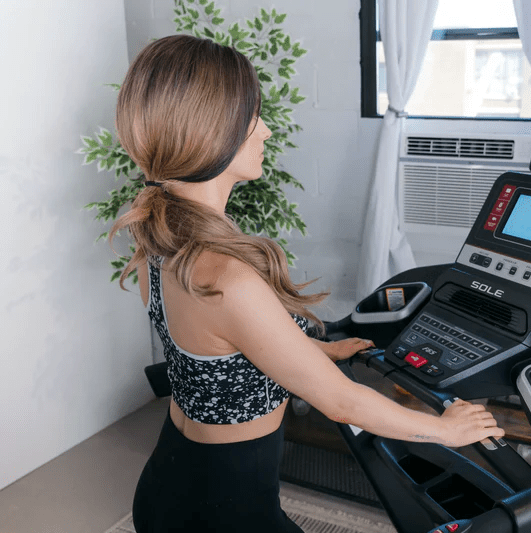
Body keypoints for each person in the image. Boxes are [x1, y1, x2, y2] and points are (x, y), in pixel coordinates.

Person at [109, 35, 504, 532]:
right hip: (225, 509)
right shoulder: (228, 276)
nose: (267, 131)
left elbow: (216, 356)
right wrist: (444, 431)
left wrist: (312, 351)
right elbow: (340, 402)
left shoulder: (158, 245)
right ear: (216, 131)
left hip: (170, 481)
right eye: (254, 117)